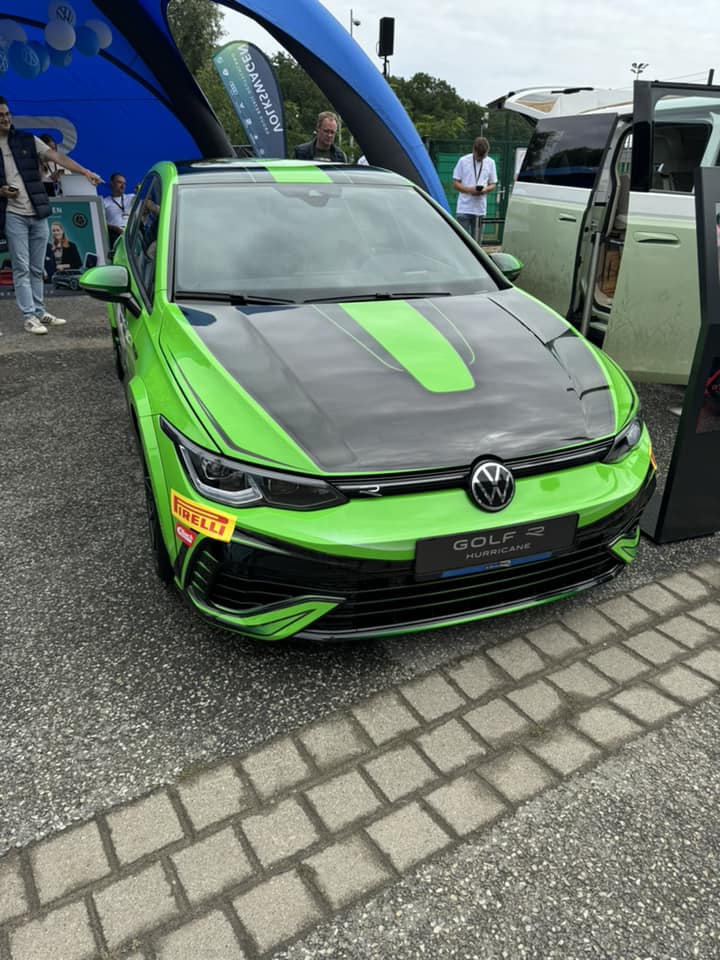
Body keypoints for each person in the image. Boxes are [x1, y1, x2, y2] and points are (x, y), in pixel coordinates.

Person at [0, 96, 103, 335]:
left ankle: (39, 311)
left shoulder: (27, 139)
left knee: (38, 267)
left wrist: (84, 171)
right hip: (13, 213)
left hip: (37, 210)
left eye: (7, 114)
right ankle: (29, 316)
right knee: (21, 267)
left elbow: (58, 157)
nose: (5, 118)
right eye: (0, 115)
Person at [452, 136, 498, 244]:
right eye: (479, 156)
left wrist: (485, 189)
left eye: (483, 156)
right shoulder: (463, 161)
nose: (481, 159)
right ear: (474, 150)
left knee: (477, 244)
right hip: (464, 209)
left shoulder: (490, 162)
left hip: (480, 209)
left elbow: (493, 184)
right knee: (461, 242)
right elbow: (455, 183)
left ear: (487, 152)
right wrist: (469, 190)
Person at [103, 172, 135, 241]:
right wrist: (114, 228)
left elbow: (146, 201)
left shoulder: (132, 197)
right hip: (114, 235)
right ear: (112, 183)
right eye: (119, 182)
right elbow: (100, 222)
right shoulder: (104, 202)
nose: (123, 186)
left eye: (124, 184)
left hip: (132, 233)